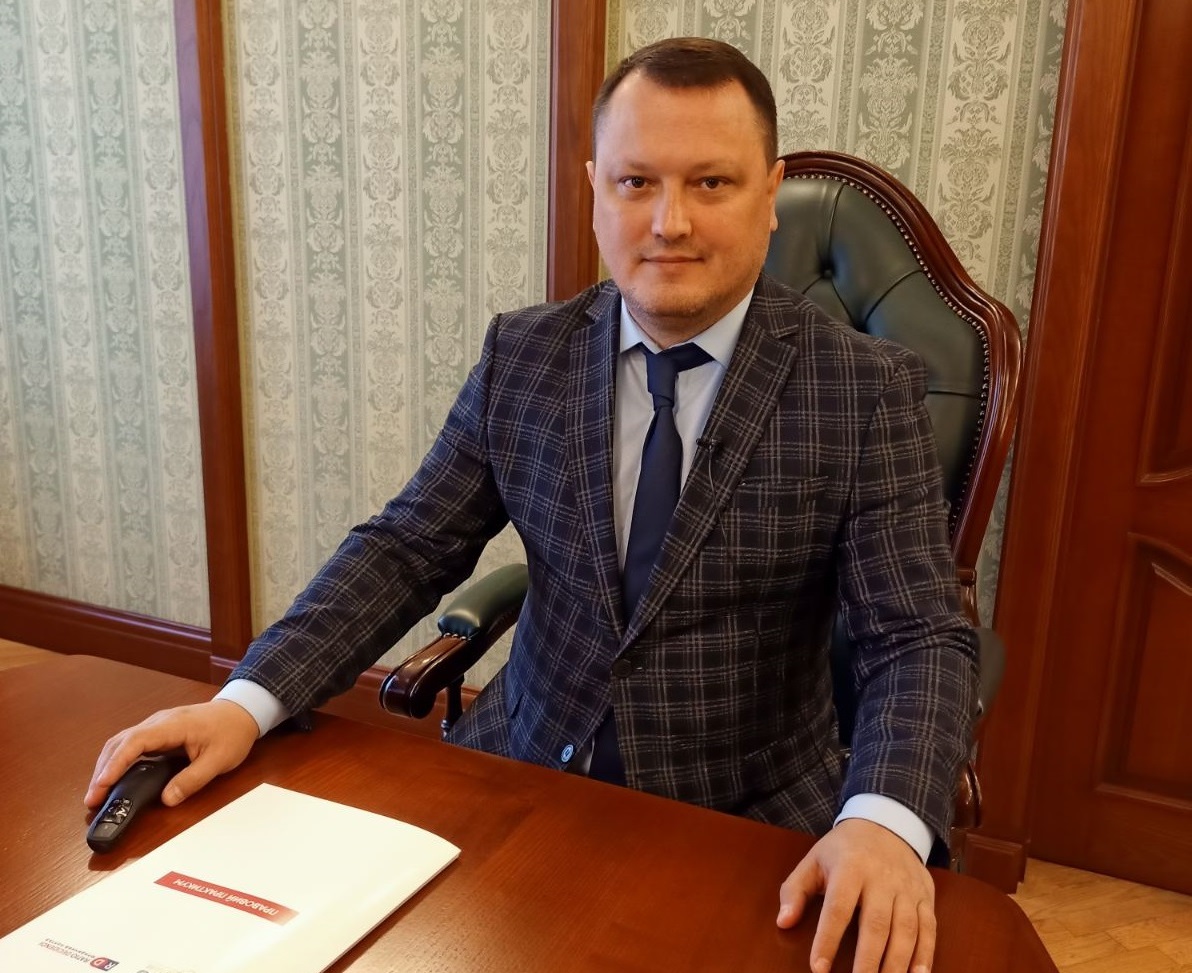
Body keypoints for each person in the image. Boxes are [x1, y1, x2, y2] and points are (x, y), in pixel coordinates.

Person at [87, 37, 977, 973]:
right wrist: (246, 700)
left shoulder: (863, 391)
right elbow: (408, 546)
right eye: (636, 182)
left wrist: (883, 820)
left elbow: (916, 634)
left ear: (770, 195)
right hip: (521, 768)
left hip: (744, 822)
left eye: (711, 183)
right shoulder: (525, 355)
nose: (669, 221)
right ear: (595, 190)